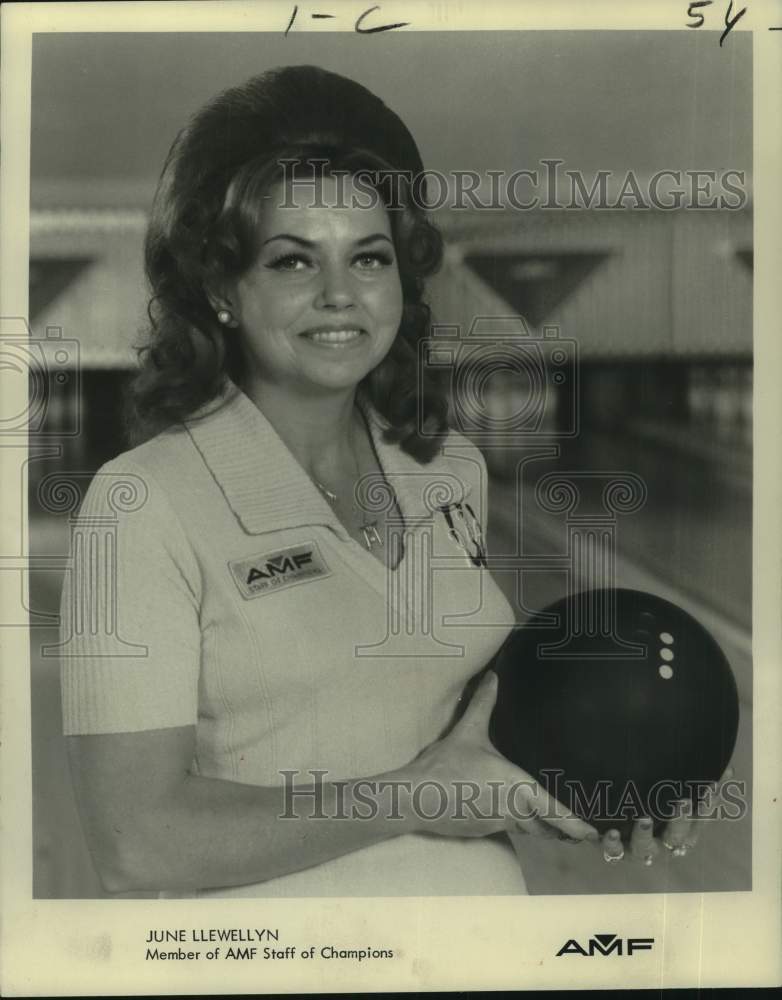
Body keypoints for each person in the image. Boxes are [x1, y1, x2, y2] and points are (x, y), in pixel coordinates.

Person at [59, 65, 697, 898]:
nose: (339, 296)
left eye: (369, 257)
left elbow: (460, 748)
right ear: (221, 288)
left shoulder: (446, 471)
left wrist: (612, 769)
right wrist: (415, 799)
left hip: (480, 950)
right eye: (291, 263)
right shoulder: (144, 505)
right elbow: (138, 845)